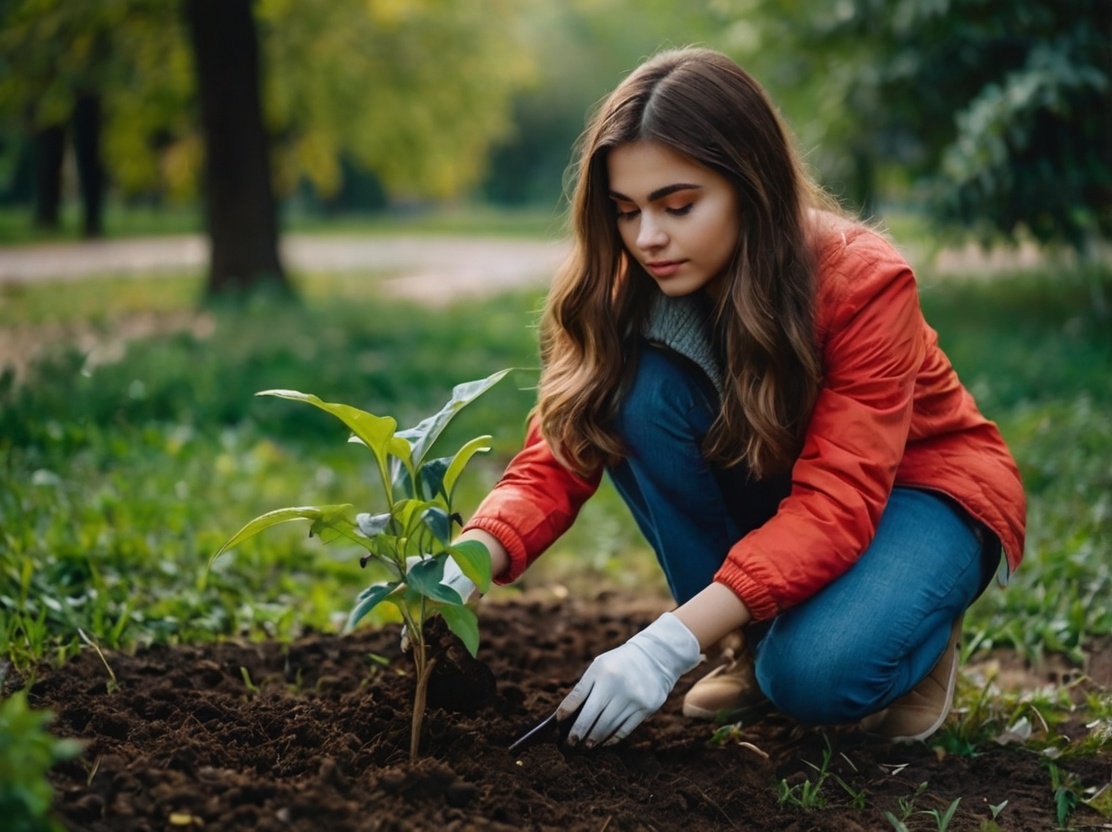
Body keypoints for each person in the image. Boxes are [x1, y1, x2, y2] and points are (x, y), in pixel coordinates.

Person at [438, 47, 1026, 749]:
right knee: (628, 397)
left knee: (814, 678)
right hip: (789, 483)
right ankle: (751, 640)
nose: (648, 237)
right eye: (626, 211)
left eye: (678, 205)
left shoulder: (862, 282)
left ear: (752, 186)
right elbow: (558, 456)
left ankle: (917, 634)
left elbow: (840, 501)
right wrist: (469, 557)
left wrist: (668, 643)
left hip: (919, 490)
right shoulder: (629, 292)